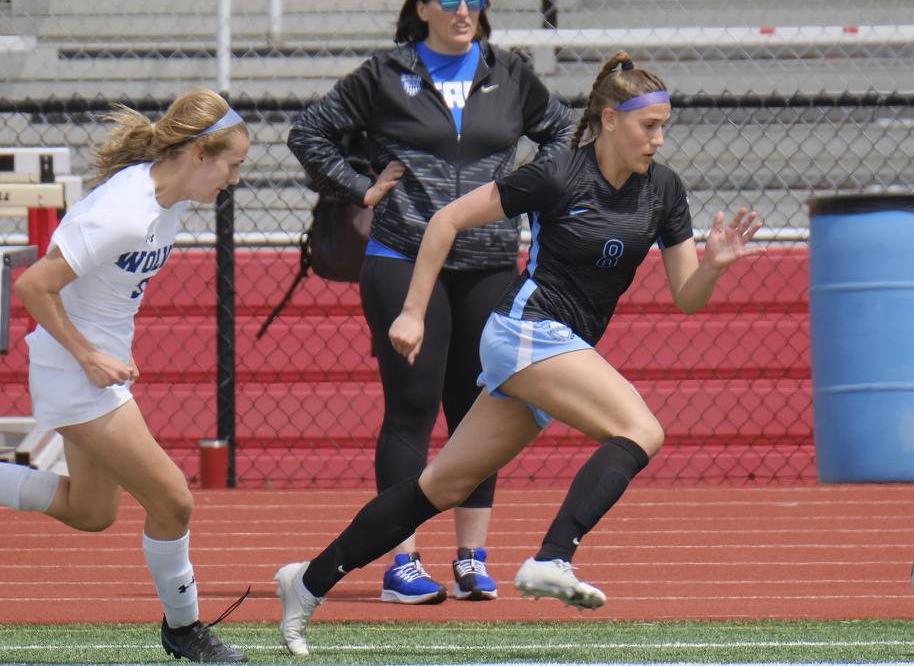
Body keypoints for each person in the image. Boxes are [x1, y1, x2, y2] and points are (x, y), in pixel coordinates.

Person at [273, 50, 764, 655]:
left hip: (560, 344)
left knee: (441, 487)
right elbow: (447, 220)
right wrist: (412, 310)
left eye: (665, 126)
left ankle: (308, 581)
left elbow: (687, 297)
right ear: (609, 120)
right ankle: (553, 557)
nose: (659, 139)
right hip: (525, 329)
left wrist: (713, 266)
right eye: (649, 126)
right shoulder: (557, 173)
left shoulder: (663, 190)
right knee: (641, 428)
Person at [287, 0, 573, 605]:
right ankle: (402, 561)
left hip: (491, 262)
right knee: (412, 406)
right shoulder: (386, 74)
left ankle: (472, 556)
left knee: (481, 408)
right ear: (422, 8)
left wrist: (530, 187)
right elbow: (310, 133)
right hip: (402, 262)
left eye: (475, 1)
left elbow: (561, 133)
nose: (464, 12)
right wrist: (361, 188)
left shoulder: (510, 73)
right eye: (449, 2)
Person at [5, 89, 249, 663]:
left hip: (89, 369)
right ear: (199, 157)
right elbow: (33, 286)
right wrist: (90, 356)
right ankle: (184, 629)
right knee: (174, 500)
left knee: (91, 513)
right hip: (77, 373)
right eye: (232, 166)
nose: (234, 180)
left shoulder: (166, 195)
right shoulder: (124, 213)